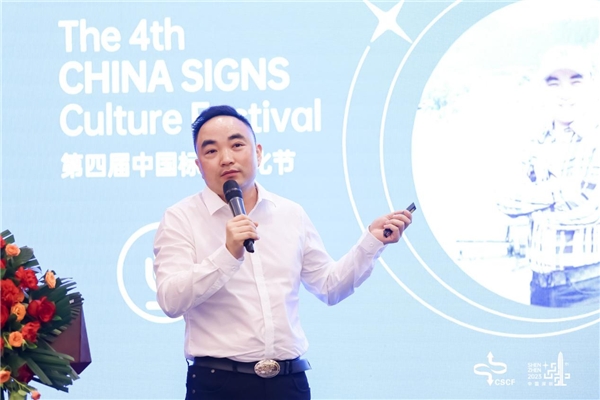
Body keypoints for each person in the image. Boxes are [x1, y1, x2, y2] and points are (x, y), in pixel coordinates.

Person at [153, 105, 413, 400]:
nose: (226, 158)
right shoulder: (180, 218)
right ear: (199, 166)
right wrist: (227, 254)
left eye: (237, 145)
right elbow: (170, 300)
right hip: (218, 384)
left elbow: (329, 287)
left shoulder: (290, 214)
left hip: (289, 383)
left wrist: (372, 242)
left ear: (258, 152)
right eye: (211, 151)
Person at [497, 45, 600, 307]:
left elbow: (588, 208)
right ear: (542, 90)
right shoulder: (534, 140)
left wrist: (533, 207)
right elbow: (505, 199)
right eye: (554, 84)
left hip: (589, 288)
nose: (565, 94)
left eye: (575, 82)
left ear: (591, 84)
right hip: (539, 286)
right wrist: (561, 191)